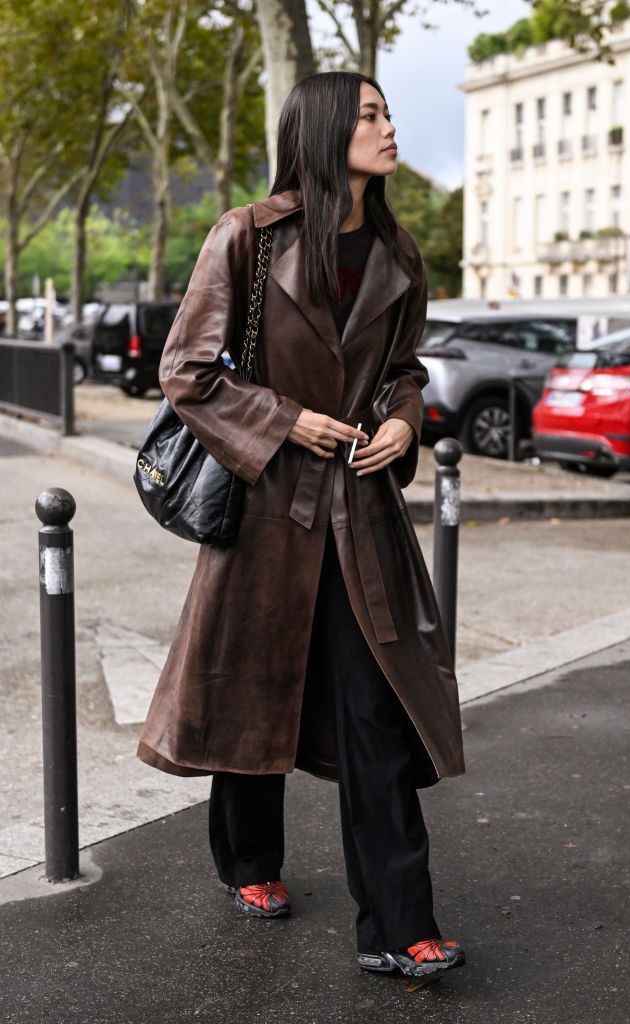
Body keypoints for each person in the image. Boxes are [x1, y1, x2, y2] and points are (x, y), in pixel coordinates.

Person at [137, 70, 467, 981]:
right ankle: (248, 861)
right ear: (325, 131)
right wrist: (285, 420)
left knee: (375, 714)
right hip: (265, 513)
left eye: (390, 111)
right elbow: (189, 370)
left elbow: (405, 369)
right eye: (369, 115)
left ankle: (399, 925)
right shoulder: (249, 233)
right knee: (254, 688)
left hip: (361, 516)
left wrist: (403, 421)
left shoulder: (399, 252)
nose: (390, 127)